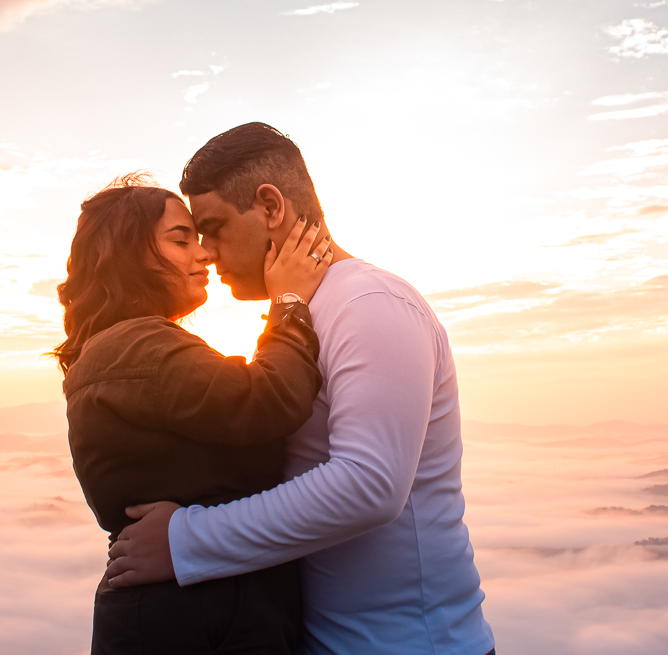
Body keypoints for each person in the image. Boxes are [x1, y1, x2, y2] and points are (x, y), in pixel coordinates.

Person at [105, 125, 496, 655]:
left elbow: (369, 484)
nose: (208, 252)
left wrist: (185, 541)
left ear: (270, 206)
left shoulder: (370, 304)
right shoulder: (302, 310)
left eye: (214, 228)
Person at [51, 173, 335, 654]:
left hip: (187, 611)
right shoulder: (135, 345)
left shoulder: (119, 347)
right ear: (129, 254)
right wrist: (289, 304)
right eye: (181, 240)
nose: (204, 254)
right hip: (194, 620)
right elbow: (266, 401)